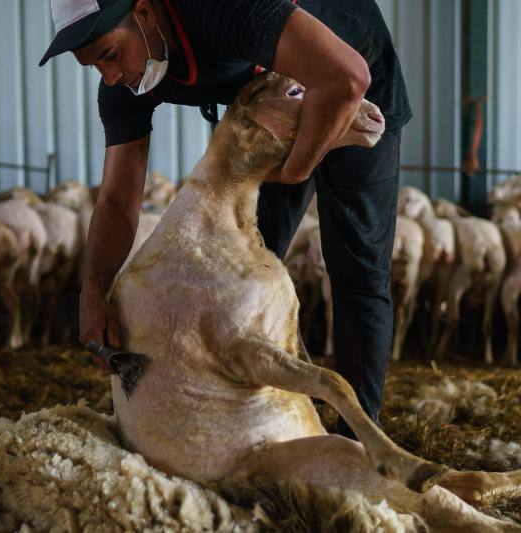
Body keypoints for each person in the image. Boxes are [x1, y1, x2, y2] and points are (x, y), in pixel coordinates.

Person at [40, 0, 410, 436]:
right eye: (94, 67)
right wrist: (94, 289)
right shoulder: (127, 82)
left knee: (357, 265)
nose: (111, 76)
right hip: (274, 99)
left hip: (353, 78)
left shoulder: (222, 9)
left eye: (109, 55)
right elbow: (119, 197)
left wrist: (295, 169)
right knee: (248, 268)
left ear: (143, 13)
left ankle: (360, 439)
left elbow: (347, 76)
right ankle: (259, 419)